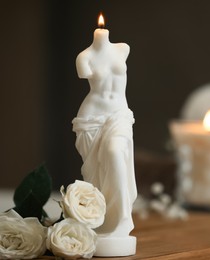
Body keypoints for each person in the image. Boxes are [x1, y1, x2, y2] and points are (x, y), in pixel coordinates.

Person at [72, 28, 137, 238]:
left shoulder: (122, 48)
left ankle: (122, 218)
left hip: (119, 114)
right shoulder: (84, 57)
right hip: (91, 118)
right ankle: (99, 219)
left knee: (115, 151)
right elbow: (85, 76)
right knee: (95, 175)